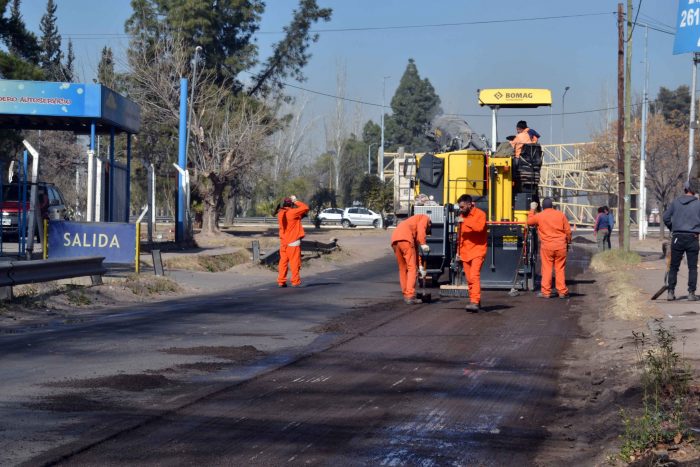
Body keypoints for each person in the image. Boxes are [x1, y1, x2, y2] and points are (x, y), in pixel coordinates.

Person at [662, 180, 700, 301]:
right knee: (692, 267)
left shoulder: (675, 202)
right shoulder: (698, 204)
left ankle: (671, 292)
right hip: (693, 237)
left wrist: (673, 228)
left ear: (684, 189)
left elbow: (666, 217)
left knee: (674, 266)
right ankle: (691, 293)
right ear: (694, 191)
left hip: (677, 237)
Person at [527, 197, 572, 299]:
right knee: (559, 269)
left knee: (547, 268)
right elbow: (568, 231)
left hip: (547, 247)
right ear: (552, 206)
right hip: (561, 246)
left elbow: (529, 221)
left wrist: (532, 209)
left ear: (542, 207)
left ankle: (546, 292)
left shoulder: (540, 215)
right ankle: (562, 292)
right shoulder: (560, 215)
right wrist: (568, 242)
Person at [455, 194, 488, 312]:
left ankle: (474, 301)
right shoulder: (461, 216)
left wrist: (465, 221)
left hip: (478, 251)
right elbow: (460, 236)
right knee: (469, 279)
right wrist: (457, 252)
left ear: (469, 204)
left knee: (474, 276)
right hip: (465, 252)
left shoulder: (480, 214)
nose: (461, 209)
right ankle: (475, 301)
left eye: (462, 207)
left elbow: (479, 228)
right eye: (460, 207)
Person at [391, 214, 432, 304]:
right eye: (427, 232)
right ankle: (410, 296)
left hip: (395, 239)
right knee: (412, 269)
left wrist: (420, 266)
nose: (426, 232)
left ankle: (406, 294)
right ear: (429, 225)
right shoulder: (425, 218)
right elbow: (422, 229)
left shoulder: (411, 223)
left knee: (403, 268)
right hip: (406, 239)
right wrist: (423, 243)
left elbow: (415, 252)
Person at [275, 195, 309, 288]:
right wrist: (296, 201)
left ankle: (281, 281)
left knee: (283, 262)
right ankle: (295, 281)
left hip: (283, 242)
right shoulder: (293, 212)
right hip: (293, 242)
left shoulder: (280, 213)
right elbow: (305, 207)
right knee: (294, 263)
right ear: (291, 205)